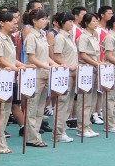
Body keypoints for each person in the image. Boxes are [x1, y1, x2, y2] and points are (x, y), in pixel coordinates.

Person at [22, 9, 59, 147]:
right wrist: (48, 67)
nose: (45, 21)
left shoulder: (42, 35)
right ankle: (31, 137)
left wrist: (56, 65)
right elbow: (31, 58)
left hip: (44, 74)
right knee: (32, 107)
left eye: (46, 19)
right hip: (34, 75)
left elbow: (46, 56)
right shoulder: (31, 36)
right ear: (34, 20)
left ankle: (36, 135)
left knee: (40, 108)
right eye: (42, 19)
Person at [0, 11, 25, 152]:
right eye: (10, 21)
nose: (14, 23)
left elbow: (11, 58)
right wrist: (14, 68)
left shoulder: (8, 38)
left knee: (5, 111)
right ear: (2, 23)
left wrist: (22, 66)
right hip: (0, 78)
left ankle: (1, 143)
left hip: (8, 78)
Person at [49, 12, 81, 142]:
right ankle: (57, 132)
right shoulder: (60, 37)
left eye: (73, 21)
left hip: (72, 73)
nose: (72, 24)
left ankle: (62, 130)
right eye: (69, 21)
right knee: (61, 103)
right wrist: (67, 66)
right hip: (65, 73)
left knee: (68, 104)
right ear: (62, 23)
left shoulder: (69, 36)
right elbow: (56, 56)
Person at [77, 13, 104, 129]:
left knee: (92, 99)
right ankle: (82, 127)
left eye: (97, 21)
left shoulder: (94, 36)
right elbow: (83, 55)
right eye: (93, 21)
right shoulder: (83, 37)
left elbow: (96, 54)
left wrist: (99, 63)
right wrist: (96, 63)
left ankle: (87, 125)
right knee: (85, 100)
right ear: (86, 23)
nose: (96, 23)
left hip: (94, 68)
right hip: (86, 69)